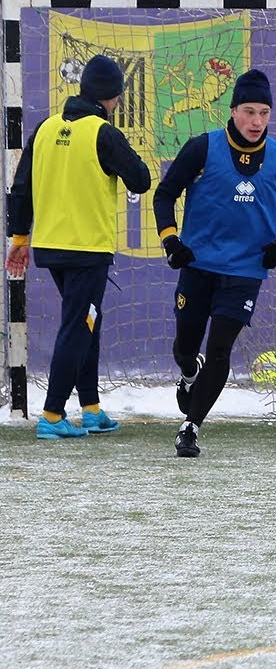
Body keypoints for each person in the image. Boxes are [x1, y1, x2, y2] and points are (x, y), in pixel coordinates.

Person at [151, 69, 276, 458]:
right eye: (249, 111)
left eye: (264, 112)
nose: (257, 121)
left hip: (246, 271)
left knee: (220, 350)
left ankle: (190, 427)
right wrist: (171, 241)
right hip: (198, 266)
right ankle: (187, 371)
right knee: (187, 347)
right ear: (232, 111)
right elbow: (164, 195)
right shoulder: (202, 148)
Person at [4, 55, 152, 439]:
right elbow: (141, 180)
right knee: (77, 325)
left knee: (88, 320)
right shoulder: (103, 133)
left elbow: (20, 190)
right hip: (87, 250)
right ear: (114, 96)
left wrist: (20, 239)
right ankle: (52, 415)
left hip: (51, 247)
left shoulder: (45, 128)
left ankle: (90, 408)